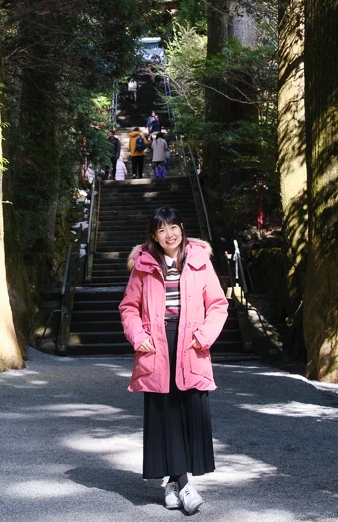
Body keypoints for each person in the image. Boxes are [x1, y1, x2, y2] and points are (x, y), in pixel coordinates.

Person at [119, 207, 228, 514]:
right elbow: (128, 307)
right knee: (164, 413)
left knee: (188, 411)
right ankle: (184, 485)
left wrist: (203, 336)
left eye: (173, 227)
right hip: (157, 342)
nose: (169, 234)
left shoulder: (199, 260)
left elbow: (218, 304)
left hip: (191, 342)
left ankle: (172, 484)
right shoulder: (143, 264)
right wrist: (138, 336)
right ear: (154, 236)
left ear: (182, 228)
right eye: (161, 230)